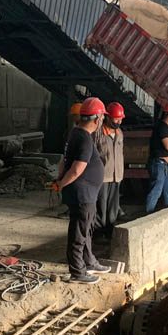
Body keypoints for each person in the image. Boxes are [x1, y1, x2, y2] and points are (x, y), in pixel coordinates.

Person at [54, 97, 112, 284]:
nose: (102, 121)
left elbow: (63, 161)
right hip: (82, 194)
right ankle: (78, 272)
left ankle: (89, 262)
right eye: (102, 118)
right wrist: (62, 183)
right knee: (78, 234)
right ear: (97, 119)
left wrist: (60, 179)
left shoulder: (75, 133)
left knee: (85, 230)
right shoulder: (84, 139)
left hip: (85, 194)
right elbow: (77, 169)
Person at [94, 102, 125, 239]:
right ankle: (98, 233)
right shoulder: (98, 133)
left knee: (113, 206)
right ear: (107, 117)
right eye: (116, 119)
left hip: (116, 176)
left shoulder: (119, 133)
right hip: (102, 177)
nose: (119, 122)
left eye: (121, 119)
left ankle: (109, 232)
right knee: (101, 206)